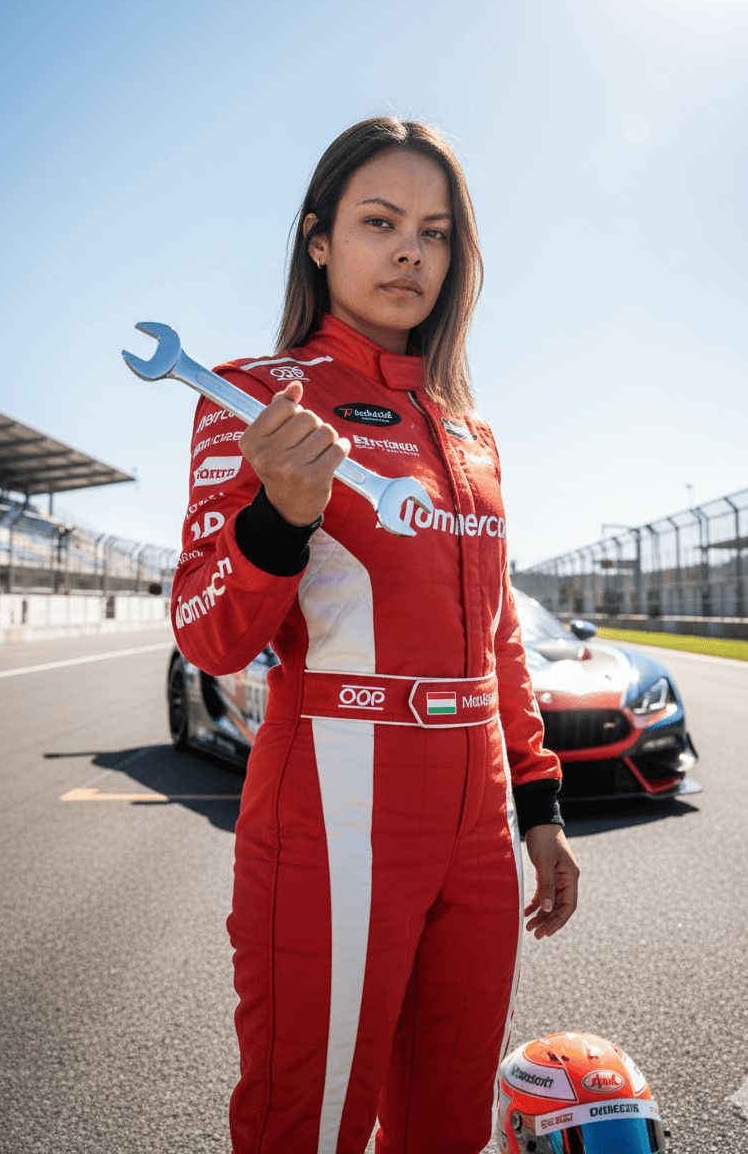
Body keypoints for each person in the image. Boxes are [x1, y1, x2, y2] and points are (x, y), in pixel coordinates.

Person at [171, 116, 580, 1154]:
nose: (410, 251)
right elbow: (208, 632)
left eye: (436, 233)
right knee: (305, 1128)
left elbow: (496, 638)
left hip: (480, 826)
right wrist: (280, 516)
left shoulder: (470, 429)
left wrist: (539, 806)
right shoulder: (254, 394)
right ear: (319, 239)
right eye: (381, 221)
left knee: (448, 1128)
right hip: (331, 813)